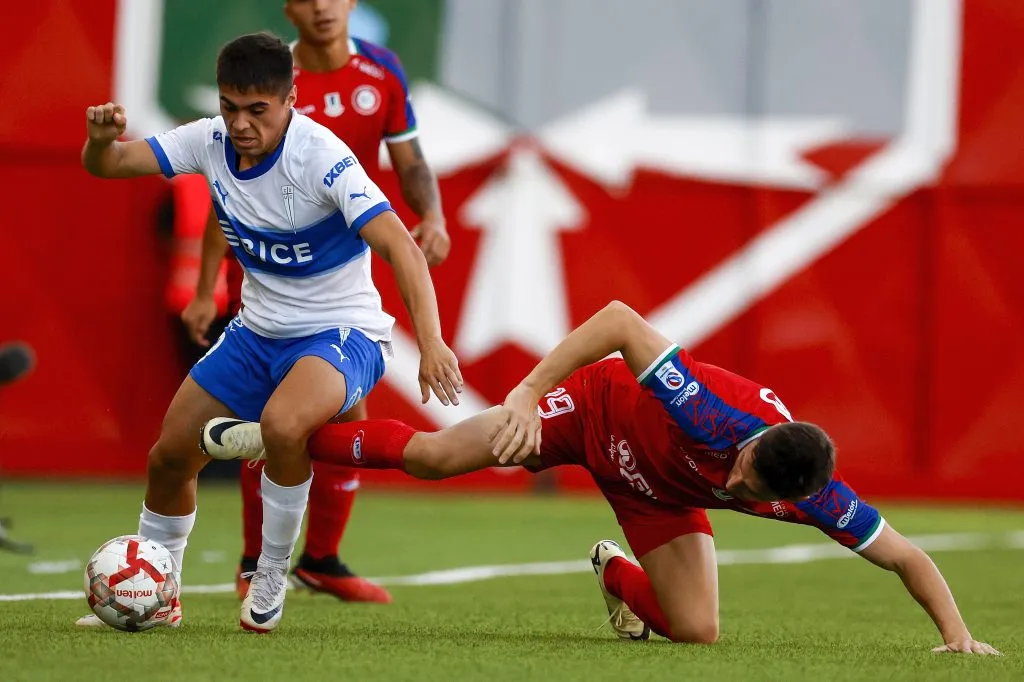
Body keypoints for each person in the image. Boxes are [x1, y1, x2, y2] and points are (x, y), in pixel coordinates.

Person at [202, 301, 999, 653]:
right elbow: (618, 320)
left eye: (751, 493)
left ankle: (614, 574)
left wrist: (957, 637)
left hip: (654, 494)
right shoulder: (715, 414)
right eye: (745, 471)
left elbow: (905, 555)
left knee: (697, 632)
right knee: (434, 458)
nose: (739, 484)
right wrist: (522, 393)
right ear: (759, 440)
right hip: (591, 411)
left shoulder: (815, 497)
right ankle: (275, 437)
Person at [78, 32, 462, 633]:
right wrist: (100, 142)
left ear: (290, 99)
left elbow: (402, 250)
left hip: (342, 332)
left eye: (258, 109)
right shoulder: (208, 140)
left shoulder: (323, 157)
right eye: (231, 106)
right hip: (256, 333)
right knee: (168, 457)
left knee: (285, 427)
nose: (240, 123)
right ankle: (163, 590)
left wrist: (433, 342)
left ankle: (271, 571)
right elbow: (111, 165)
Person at [181, 0, 449, 605]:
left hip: (341, 282)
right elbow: (232, 196)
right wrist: (205, 288)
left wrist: (430, 215)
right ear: (288, 8)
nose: (322, 7)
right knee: (283, 416)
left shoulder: (381, 73)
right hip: (273, 286)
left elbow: (410, 161)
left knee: (331, 414)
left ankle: (318, 559)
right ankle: (261, 563)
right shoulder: (268, 83)